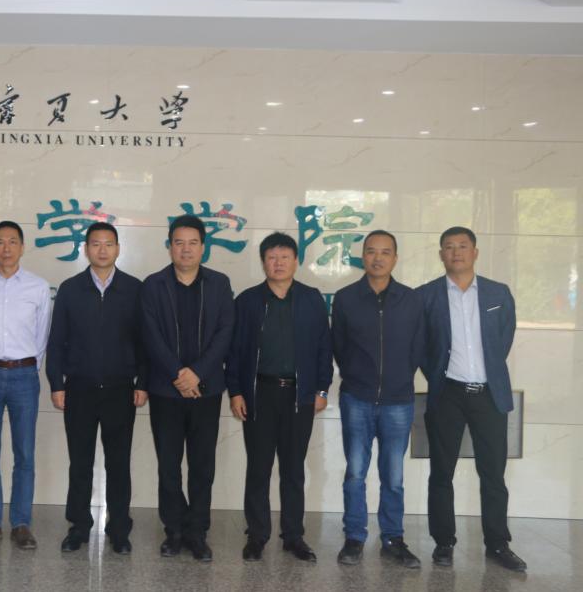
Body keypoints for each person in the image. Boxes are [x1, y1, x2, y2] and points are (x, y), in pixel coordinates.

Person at [418, 226, 526, 572]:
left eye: (463, 246)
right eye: (449, 247)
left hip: (489, 394)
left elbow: (503, 339)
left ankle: (497, 544)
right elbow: (423, 347)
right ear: (441, 255)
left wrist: (486, 370)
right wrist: (438, 374)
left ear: (475, 252)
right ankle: (443, 542)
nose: (456, 252)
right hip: (447, 393)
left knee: (493, 473)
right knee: (441, 472)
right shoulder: (426, 296)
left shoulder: (498, 293)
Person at [226, 232, 331, 563]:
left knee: (293, 468)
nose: (279, 263)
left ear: (296, 261)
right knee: (258, 467)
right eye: (272, 257)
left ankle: (293, 536)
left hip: (299, 395)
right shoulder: (248, 301)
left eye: (285, 257)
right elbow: (234, 351)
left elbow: (324, 347)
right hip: (259, 393)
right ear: (263, 262)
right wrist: (236, 391)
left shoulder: (311, 299)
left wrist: (322, 389)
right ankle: (257, 535)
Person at [46, 222, 147, 555]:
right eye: (95, 244)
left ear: (118, 248)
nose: (102, 250)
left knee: (118, 463)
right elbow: (56, 341)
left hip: (121, 389)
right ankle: (78, 526)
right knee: (80, 462)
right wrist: (56, 383)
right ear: (85, 248)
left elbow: (145, 341)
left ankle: (119, 528)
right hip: (80, 389)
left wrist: (143, 382)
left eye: (108, 244)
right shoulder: (70, 289)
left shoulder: (134, 289)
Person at [141, 214, 234, 562]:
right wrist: (178, 376)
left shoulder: (219, 284)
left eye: (193, 243)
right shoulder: (153, 285)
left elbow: (225, 332)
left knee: (202, 466)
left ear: (203, 247)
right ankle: (174, 530)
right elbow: (151, 335)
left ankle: (197, 532)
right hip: (166, 391)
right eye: (179, 242)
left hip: (206, 390)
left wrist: (197, 374)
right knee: (168, 465)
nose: (186, 249)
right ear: (169, 247)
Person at [331, 230, 425, 568]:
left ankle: (392, 539)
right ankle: (354, 537)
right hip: (357, 397)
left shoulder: (411, 300)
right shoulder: (345, 298)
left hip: (398, 401)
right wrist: (358, 376)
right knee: (355, 472)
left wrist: (398, 378)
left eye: (385, 252)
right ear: (363, 257)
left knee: (393, 476)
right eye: (371, 251)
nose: (378, 258)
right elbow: (338, 346)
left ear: (395, 258)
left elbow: (418, 347)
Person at [0, 221, 52, 550]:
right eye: (0, 242)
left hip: (24, 375)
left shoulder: (38, 287)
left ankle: (21, 523)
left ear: (22, 247)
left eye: (13, 241)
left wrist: (28, 367)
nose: (6, 248)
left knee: (24, 453)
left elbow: (42, 335)